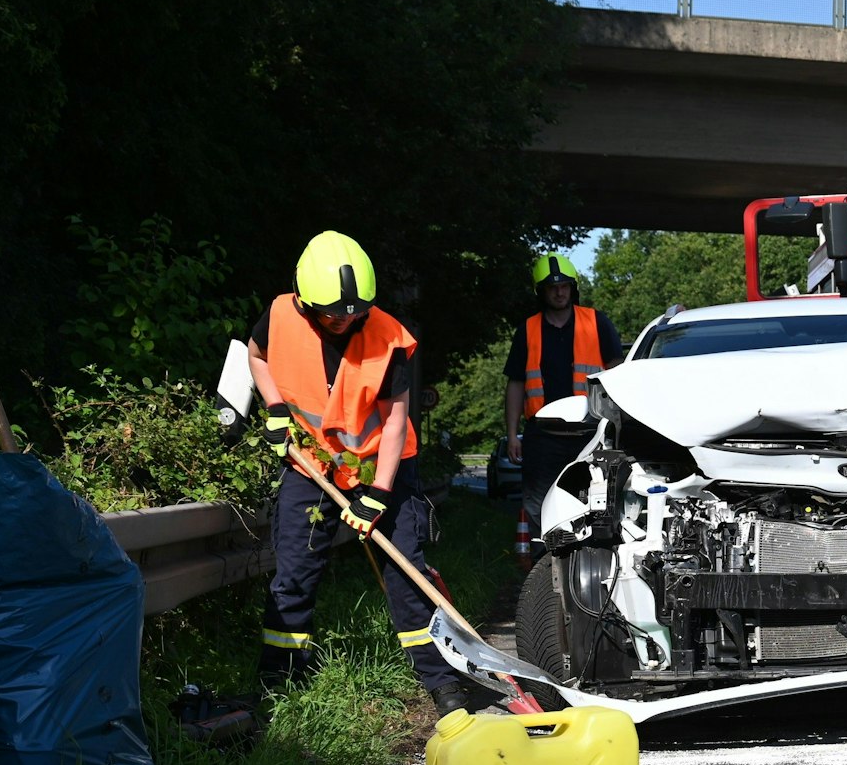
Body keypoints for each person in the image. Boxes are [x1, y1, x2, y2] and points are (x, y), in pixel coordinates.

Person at [250, 232, 466, 715]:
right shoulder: (281, 315)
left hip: (382, 466)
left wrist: (377, 495)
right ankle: (278, 682)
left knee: (406, 572)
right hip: (312, 466)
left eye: (355, 311)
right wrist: (275, 407)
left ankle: (440, 681)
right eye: (333, 313)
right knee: (295, 571)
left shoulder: (388, 336)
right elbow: (256, 356)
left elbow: (393, 421)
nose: (346, 319)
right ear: (305, 302)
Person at [502, 253, 624, 546]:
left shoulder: (597, 323)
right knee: (540, 506)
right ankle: (544, 570)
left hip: (590, 432)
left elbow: (619, 374)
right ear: (540, 292)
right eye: (552, 287)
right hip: (542, 436)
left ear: (573, 288)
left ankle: (591, 561)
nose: (559, 291)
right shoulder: (528, 330)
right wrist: (511, 434)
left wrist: (621, 425)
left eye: (564, 286)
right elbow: (516, 384)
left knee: (594, 502)